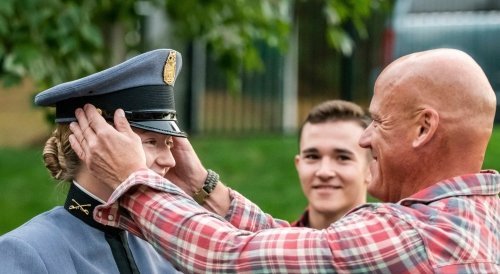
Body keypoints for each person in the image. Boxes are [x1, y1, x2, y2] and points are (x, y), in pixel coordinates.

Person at [70, 48, 499, 273]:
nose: (366, 138)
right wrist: (205, 187)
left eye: (378, 122)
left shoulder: (412, 235)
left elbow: (231, 258)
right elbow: (308, 251)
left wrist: (133, 180)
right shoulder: (475, 216)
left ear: (424, 129)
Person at [0, 49, 184, 273]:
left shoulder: (162, 251)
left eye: (169, 144)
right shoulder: (25, 252)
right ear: (94, 143)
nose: (170, 160)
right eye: (151, 142)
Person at [291, 100, 371, 228]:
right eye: (312, 156)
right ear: (298, 165)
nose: (324, 172)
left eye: (342, 158)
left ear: (371, 169)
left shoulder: (397, 246)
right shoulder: (275, 245)